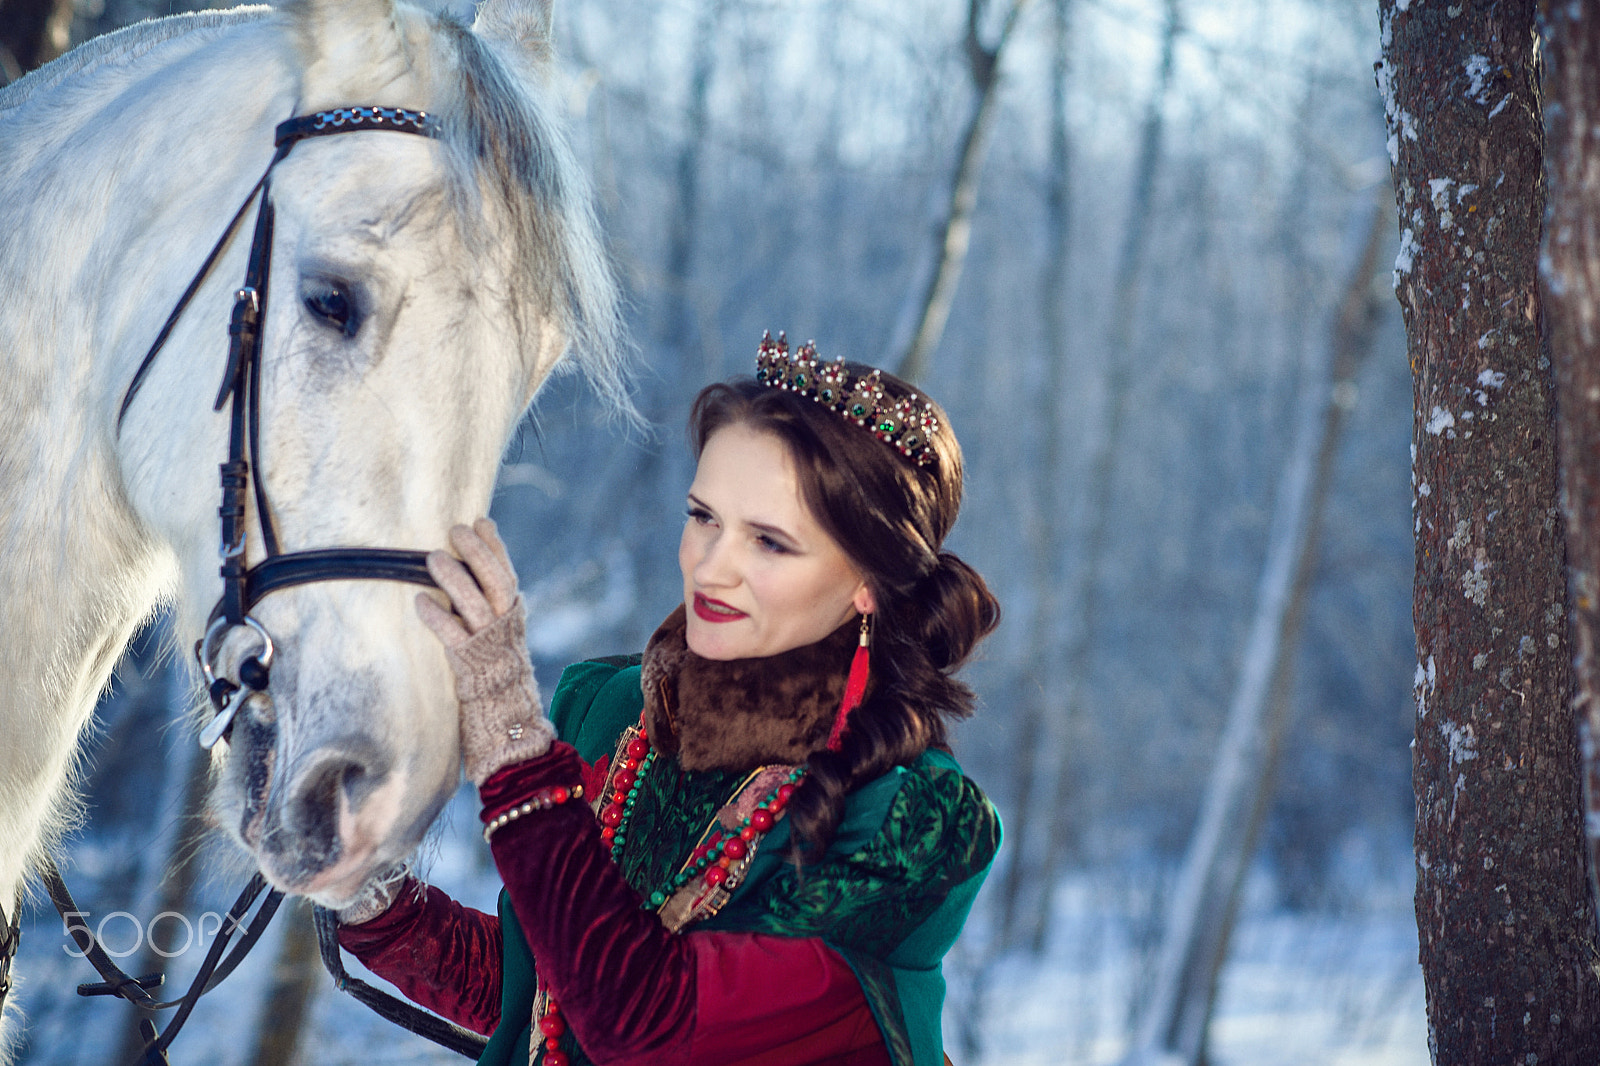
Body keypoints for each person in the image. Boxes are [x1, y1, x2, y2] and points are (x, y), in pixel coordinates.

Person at [335, 333, 1002, 1066]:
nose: (711, 567)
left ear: (866, 583)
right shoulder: (614, 711)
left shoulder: (914, 826)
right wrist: (378, 902)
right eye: (703, 516)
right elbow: (548, 996)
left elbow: (652, 1023)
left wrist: (511, 743)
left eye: (770, 542)